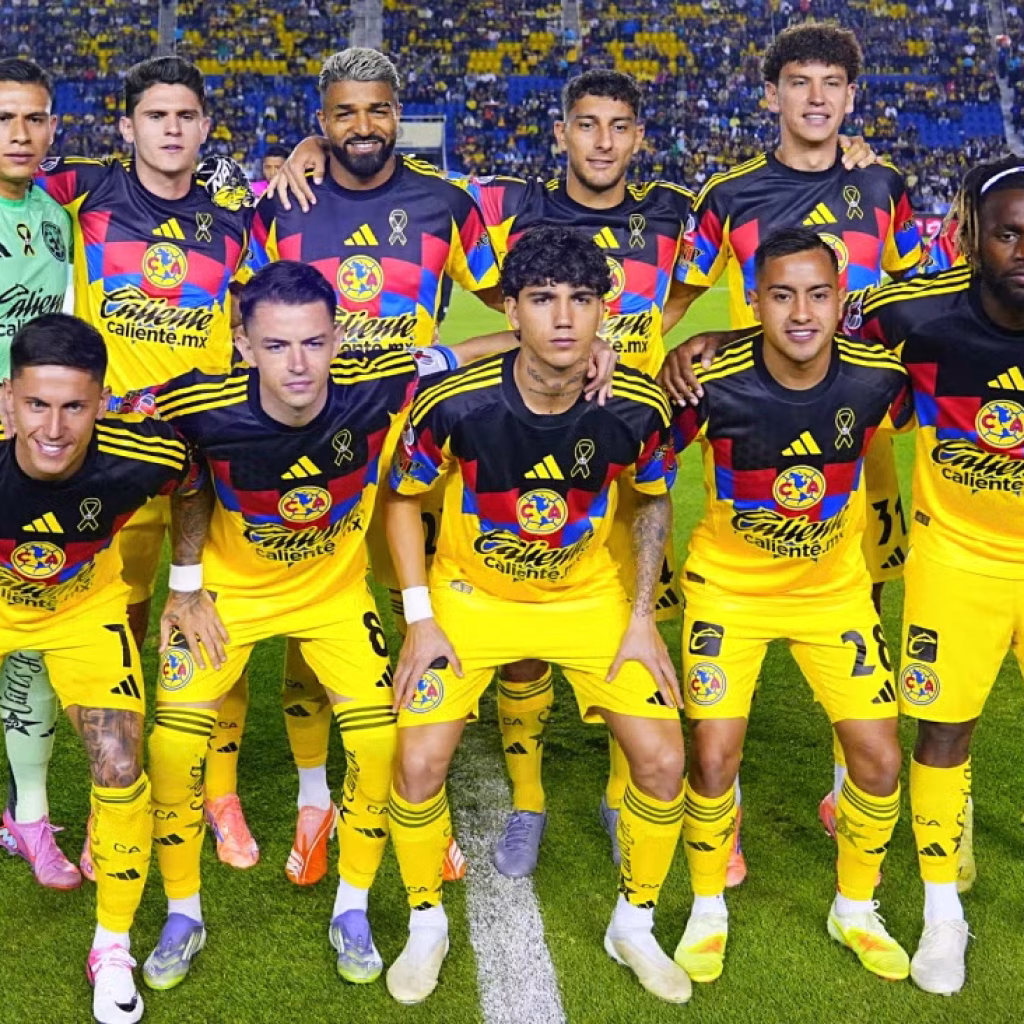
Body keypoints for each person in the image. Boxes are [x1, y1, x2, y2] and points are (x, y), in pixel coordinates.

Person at [140, 259, 518, 991]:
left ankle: (353, 905)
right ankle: (183, 913)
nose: (298, 364)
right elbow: (103, 420)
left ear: (338, 339)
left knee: (378, 745)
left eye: (314, 342)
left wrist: (579, 348)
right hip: (229, 598)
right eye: (276, 346)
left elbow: (480, 348)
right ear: (243, 345)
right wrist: (183, 587)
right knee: (170, 750)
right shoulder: (195, 402)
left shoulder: (380, 382)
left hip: (334, 597)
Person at [203, 46, 505, 884]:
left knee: (420, 623)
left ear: (398, 114)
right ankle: (313, 799)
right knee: (309, 625)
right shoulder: (282, 205)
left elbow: (512, 299)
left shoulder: (447, 204)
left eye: (377, 110)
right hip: (307, 455)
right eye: (344, 112)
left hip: (411, 455)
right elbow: (233, 313)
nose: (362, 126)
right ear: (322, 120)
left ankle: (417, 799)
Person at [382, 225, 689, 1006]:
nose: (562, 317)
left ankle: (634, 923)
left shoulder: (637, 406)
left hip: (586, 600)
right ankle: (425, 923)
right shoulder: (454, 403)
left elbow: (653, 500)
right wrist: (420, 618)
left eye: (581, 300)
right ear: (511, 310)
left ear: (603, 312)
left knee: (662, 761)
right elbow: (403, 498)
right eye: (542, 299)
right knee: (416, 764)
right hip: (470, 601)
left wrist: (641, 617)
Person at [671, 22, 923, 885]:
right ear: (772, 94)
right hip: (758, 427)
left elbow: (920, 289)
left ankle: (843, 784)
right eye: (799, 82)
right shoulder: (731, 193)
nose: (816, 98)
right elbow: (677, 297)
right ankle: (724, 808)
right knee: (746, 571)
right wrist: (662, 352)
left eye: (831, 84)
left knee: (862, 594)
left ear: (852, 96)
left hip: (864, 427)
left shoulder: (882, 184)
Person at [671, 228, 910, 985]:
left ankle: (856, 909)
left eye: (817, 295)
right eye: (781, 295)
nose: (801, 313)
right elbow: (641, 462)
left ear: (841, 301)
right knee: (713, 755)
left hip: (832, 596)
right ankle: (707, 909)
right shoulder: (709, 381)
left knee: (879, 757)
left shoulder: (878, 379)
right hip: (728, 593)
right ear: (754, 301)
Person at [834, 156, 1024, 995]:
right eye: (1010, 233)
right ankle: (944, 913)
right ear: (974, 236)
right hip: (957, 562)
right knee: (943, 732)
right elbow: (811, 338)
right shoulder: (915, 316)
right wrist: (708, 346)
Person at [0, 313, 200, 1024]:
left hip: (83, 611)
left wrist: (186, 583)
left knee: (119, 765)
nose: (54, 428)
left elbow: (193, 478)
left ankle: (111, 946)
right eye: (36, 404)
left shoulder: (139, 453)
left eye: (75, 407)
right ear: (7, 398)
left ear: (103, 402)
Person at [0, 56, 78, 889]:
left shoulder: (57, 217)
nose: (20, 135)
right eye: (3, 119)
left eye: (34, 118)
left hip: (28, 459)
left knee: (27, 644)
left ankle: (28, 815)